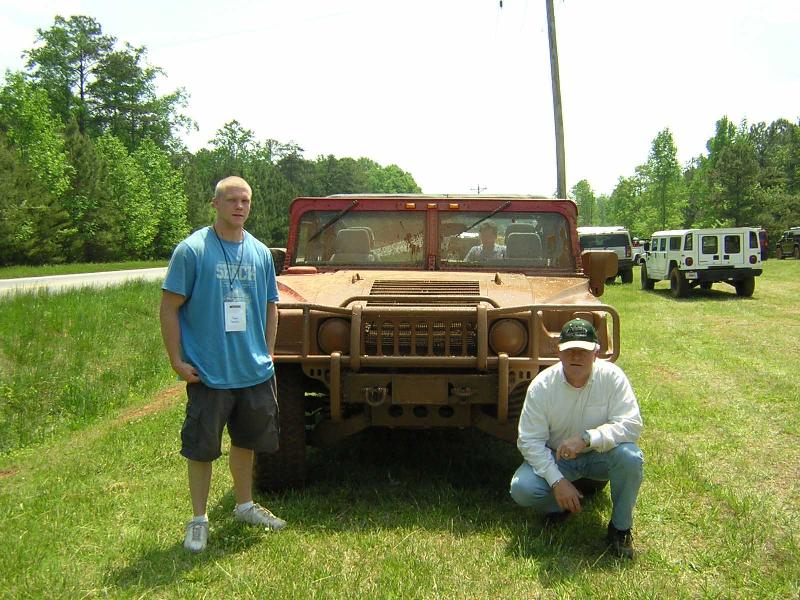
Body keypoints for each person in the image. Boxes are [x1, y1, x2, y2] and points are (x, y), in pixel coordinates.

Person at [160, 176, 286, 553]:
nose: (239, 206)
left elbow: (272, 306)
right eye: (231, 200)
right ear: (215, 204)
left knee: (247, 442)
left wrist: (268, 352)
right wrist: (176, 360)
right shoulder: (192, 250)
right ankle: (199, 519)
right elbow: (169, 308)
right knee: (201, 448)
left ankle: (244, 506)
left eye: (245, 200)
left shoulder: (261, 253)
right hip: (209, 372)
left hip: (253, 371)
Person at [509, 318, 644, 558]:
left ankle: (620, 528)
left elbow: (632, 425)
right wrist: (557, 482)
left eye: (583, 350)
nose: (576, 356)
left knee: (630, 457)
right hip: (558, 458)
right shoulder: (542, 386)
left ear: (596, 353)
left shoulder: (613, 377)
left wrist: (588, 438)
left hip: (600, 455)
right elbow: (529, 441)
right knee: (522, 489)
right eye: (570, 349)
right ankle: (563, 503)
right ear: (558, 352)